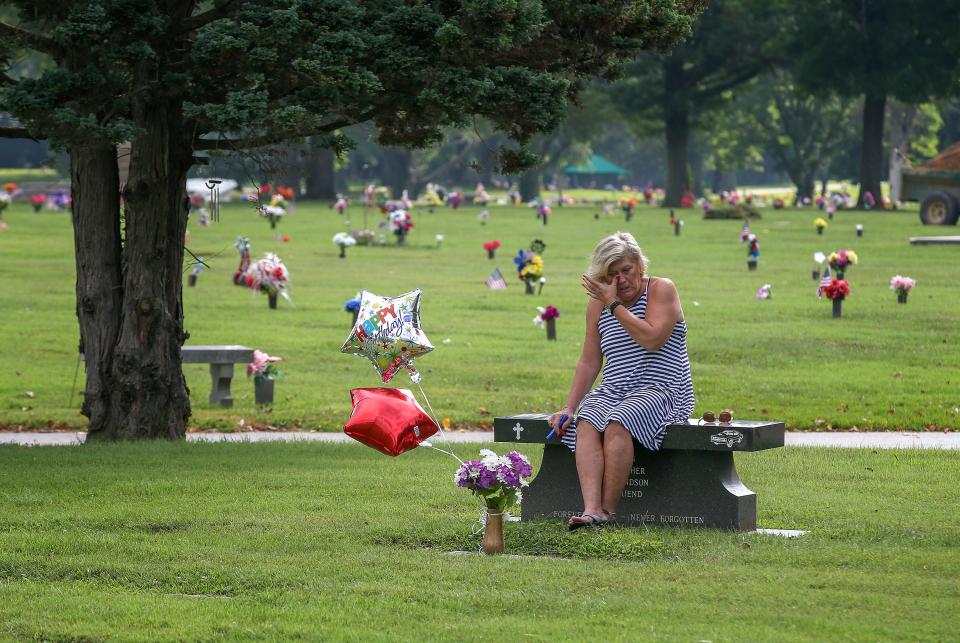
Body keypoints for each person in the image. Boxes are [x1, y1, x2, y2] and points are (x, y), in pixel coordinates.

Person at [549, 232, 695, 530]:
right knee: (587, 419)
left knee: (619, 420)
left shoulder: (660, 289)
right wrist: (568, 407)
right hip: (615, 388)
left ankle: (608, 512)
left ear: (639, 265)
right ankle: (591, 511)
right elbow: (590, 360)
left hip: (663, 389)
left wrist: (614, 304)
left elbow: (652, 338)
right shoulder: (597, 304)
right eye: (611, 275)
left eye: (625, 270)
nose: (620, 280)